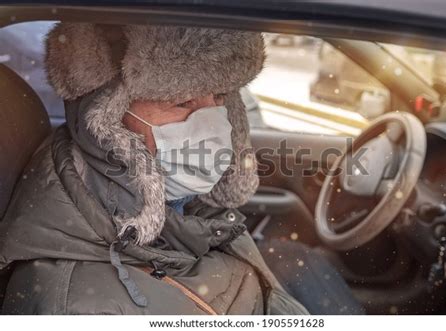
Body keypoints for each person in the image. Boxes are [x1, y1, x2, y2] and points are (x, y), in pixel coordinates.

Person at [0, 23, 362, 315]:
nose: (211, 121)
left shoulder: (187, 203)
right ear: (108, 123)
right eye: (182, 102)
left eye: (219, 97)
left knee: (295, 258)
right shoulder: (79, 308)